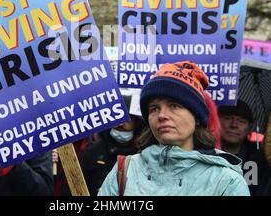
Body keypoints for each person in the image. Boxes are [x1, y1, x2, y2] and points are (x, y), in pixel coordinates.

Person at [98, 61, 250, 196]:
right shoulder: (125, 170)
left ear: (196, 117)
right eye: (154, 108)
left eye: (174, 106)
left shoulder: (226, 182)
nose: (162, 115)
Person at [81, 94, 145, 195]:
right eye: (117, 117)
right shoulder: (92, 151)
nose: (120, 124)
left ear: (137, 122)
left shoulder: (145, 154)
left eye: (127, 119)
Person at [218, 100, 271, 195]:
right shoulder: (204, 154)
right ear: (217, 121)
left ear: (249, 128)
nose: (234, 125)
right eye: (228, 118)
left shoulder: (259, 160)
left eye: (241, 121)